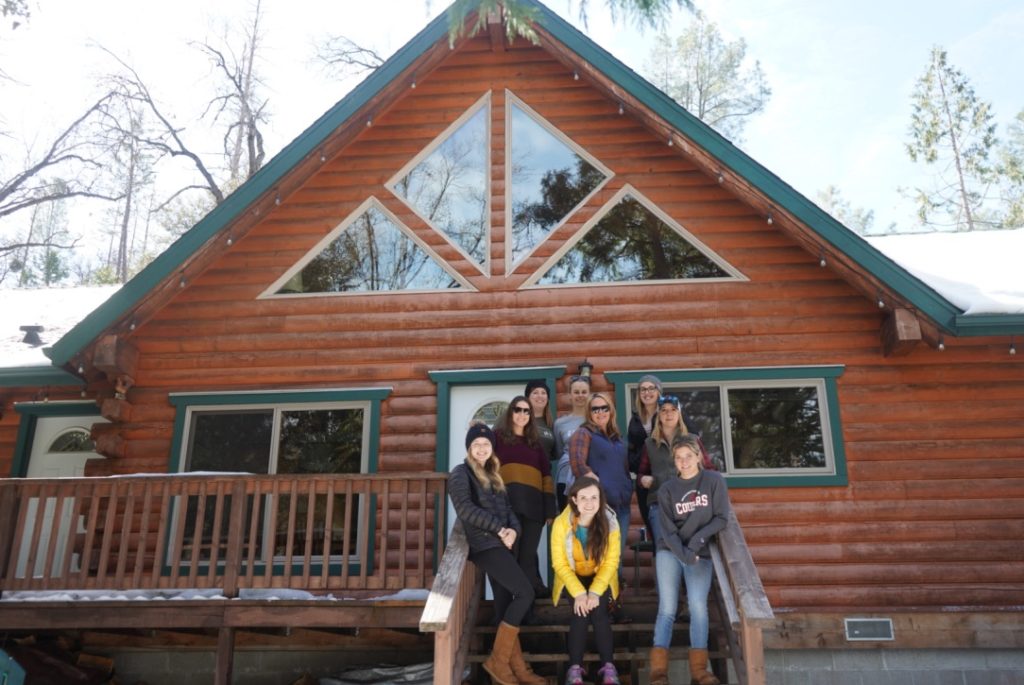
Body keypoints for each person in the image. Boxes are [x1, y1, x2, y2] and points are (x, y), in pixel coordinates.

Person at [448, 424, 545, 685]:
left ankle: (515, 670)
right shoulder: (461, 473)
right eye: (477, 444)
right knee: (525, 593)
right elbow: (466, 509)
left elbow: (508, 509)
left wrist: (513, 529)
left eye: (486, 444)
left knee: (504, 605)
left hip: (502, 544)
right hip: (485, 546)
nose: (482, 448)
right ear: (469, 448)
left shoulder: (494, 475)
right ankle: (499, 662)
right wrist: (499, 529)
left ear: (492, 449)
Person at [648, 434, 732, 685]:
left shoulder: (713, 481)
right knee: (667, 608)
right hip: (670, 550)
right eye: (678, 458)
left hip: (699, 552)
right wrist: (683, 553)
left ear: (698, 456)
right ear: (674, 461)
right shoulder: (667, 489)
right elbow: (666, 530)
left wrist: (696, 543)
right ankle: (658, 673)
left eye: (688, 456)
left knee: (697, 606)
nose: (683, 462)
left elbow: (720, 518)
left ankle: (699, 671)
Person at [550, 476, 622, 685]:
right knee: (580, 613)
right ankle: (574, 670)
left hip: (601, 576)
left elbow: (610, 563)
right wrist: (580, 593)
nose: (589, 503)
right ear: (574, 499)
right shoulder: (561, 524)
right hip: (572, 577)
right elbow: (560, 564)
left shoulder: (610, 522)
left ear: (600, 499)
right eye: (583, 498)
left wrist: (595, 591)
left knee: (599, 613)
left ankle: (608, 668)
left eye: (594, 497)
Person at [494, 395, 556, 598]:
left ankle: (528, 607)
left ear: (530, 415)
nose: (522, 414)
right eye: (517, 409)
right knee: (510, 556)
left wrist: (549, 510)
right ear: (510, 412)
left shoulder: (536, 444)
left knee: (527, 557)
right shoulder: (498, 439)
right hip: (507, 508)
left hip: (534, 509)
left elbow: (547, 476)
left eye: (526, 411)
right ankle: (513, 604)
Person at [567, 393, 632, 565]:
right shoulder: (584, 433)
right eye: (595, 408)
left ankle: (613, 591)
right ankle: (598, 591)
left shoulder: (617, 439)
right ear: (589, 412)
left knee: (615, 554)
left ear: (611, 411)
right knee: (599, 554)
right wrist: (598, 488)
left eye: (605, 408)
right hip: (599, 507)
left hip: (622, 505)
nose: (600, 412)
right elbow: (578, 465)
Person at [627, 374, 662, 535]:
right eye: (643, 389)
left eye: (651, 388)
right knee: (651, 525)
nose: (647, 392)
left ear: (658, 391)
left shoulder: (668, 412)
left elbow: (692, 434)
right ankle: (658, 558)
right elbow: (631, 448)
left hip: (664, 475)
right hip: (643, 479)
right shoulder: (635, 420)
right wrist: (634, 462)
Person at [553, 374, 591, 510]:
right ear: (570, 395)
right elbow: (559, 451)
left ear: (589, 394)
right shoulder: (560, 423)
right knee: (567, 522)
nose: (580, 395)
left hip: (589, 476)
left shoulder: (595, 420)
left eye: (584, 392)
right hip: (565, 478)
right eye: (576, 392)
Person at [525, 379, 557, 467]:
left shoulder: (551, 424)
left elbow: (554, 454)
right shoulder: (520, 419)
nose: (540, 396)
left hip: (545, 475)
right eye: (535, 393)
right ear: (528, 397)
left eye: (543, 393)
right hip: (523, 473)